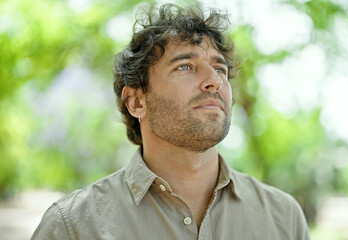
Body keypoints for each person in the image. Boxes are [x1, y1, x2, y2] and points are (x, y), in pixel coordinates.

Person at [31, 3, 310, 240]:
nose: (214, 80)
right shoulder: (72, 227)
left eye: (219, 68)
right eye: (185, 66)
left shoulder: (284, 218)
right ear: (137, 102)